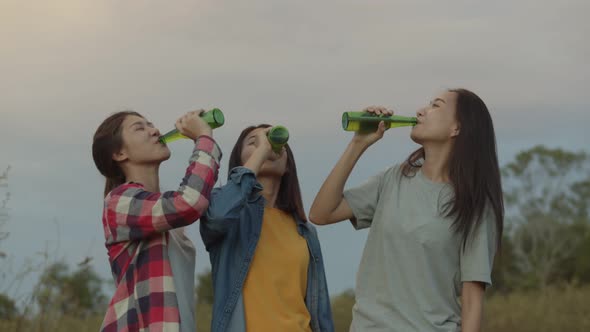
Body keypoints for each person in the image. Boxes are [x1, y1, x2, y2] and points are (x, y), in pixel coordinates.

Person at [309, 89, 504, 332]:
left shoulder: (474, 205)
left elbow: (472, 300)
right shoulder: (393, 179)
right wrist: (358, 143)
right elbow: (321, 214)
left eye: (436, 105)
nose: (421, 110)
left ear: (457, 128)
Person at [92, 110, 222, 332]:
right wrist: (204, 138)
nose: (155, 131)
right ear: (119, 153)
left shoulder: (167, 220)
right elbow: (189, 202)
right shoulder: (119, 202)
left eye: (151, 124)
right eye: (140, 128)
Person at [200, 124, 334, 332]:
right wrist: (262, 152)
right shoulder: (226, 212)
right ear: (241, 163)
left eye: (274, 142)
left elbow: (320, 309)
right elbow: (218, 218)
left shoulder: (305, 232)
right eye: (254, 143)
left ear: (288, 164)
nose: (268, 146)